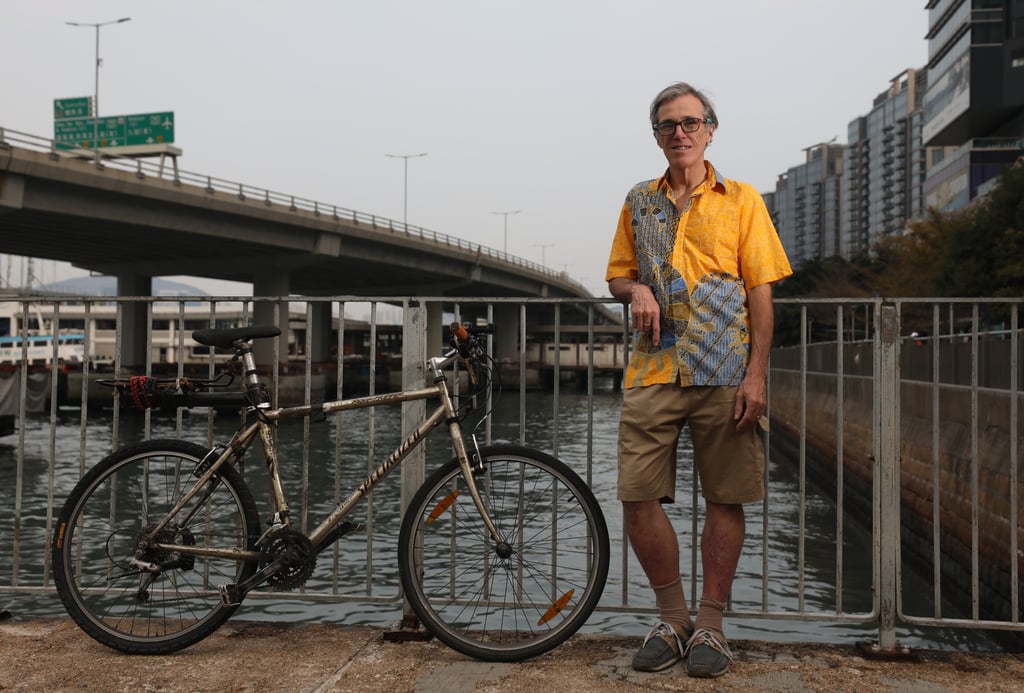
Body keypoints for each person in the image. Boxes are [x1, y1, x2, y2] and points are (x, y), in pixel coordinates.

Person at [605, 82, 792, 679]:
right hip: (653, 367)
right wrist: (634, 289)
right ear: (656, 136)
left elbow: (760, 291)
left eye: (690, 122)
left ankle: (710, 623)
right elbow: (616, 277)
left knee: (725, 496)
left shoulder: (742, 201)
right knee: (637, 495)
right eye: (667, 125)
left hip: (726, 370)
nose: (679, 133)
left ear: (711, 129)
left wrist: (757, 374)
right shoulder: (639, 200)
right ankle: (673, 617)